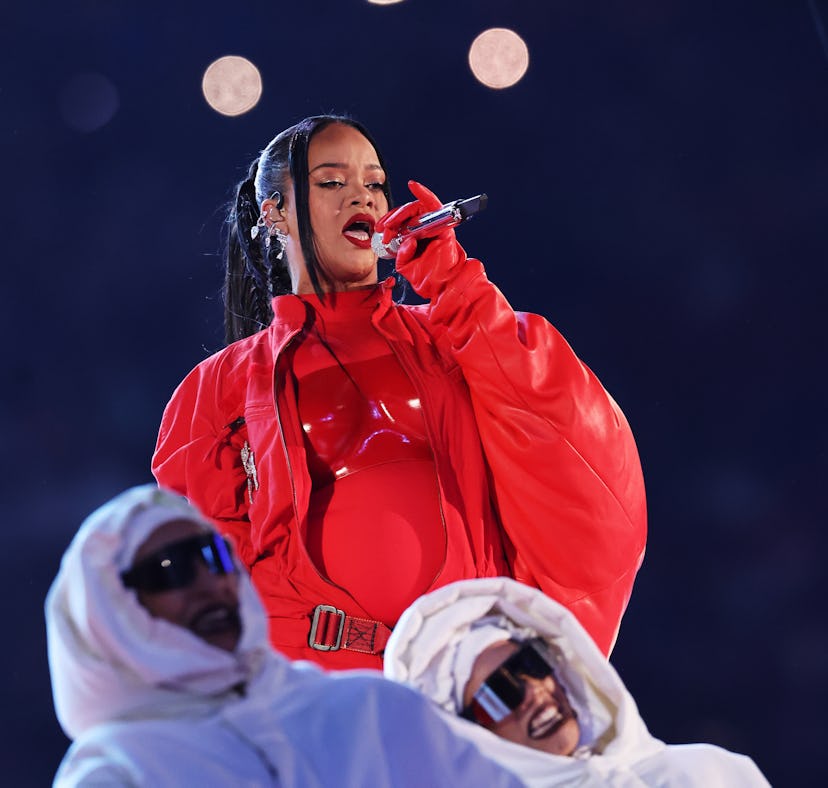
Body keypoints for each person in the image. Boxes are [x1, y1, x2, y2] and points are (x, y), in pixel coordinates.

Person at [152, 113, 647, 670]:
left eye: (375, 184)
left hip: (466, 671)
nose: (361, 198)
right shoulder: (217, 387)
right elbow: (203, 575)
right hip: (315, 684)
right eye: (332, 182)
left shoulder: (450, 333)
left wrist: (454, 281)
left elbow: (559, 425)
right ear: (276, 213)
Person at [45, 485, 526, 787]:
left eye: (213, 555)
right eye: (169, 571)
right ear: (108, 613)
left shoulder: (373, 711)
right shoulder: (119, 772)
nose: (209, 582)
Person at [383, 577, 770, 787]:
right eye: (501, 693)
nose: (534, 691)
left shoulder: (708, 772)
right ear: (467, 734)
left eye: (531, 664)